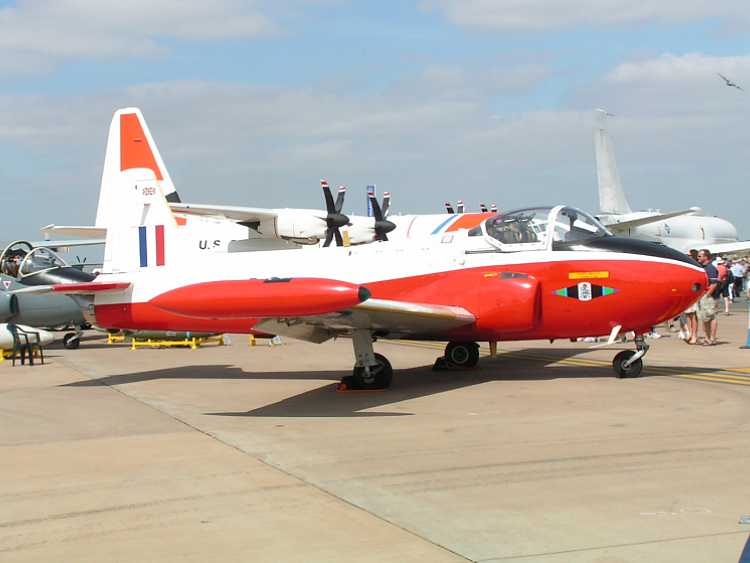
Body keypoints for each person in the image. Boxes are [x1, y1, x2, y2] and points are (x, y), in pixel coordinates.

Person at [696, 249, 720, 345]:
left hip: (708, 296)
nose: (698, 258)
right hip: (703, 295)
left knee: (711, 317)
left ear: (706, 257)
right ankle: (707, 338)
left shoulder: (710, 268)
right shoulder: (703, 267)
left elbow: (714, 284)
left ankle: (711, 338)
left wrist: (706, 295)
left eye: (699, 256)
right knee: (704, 318)